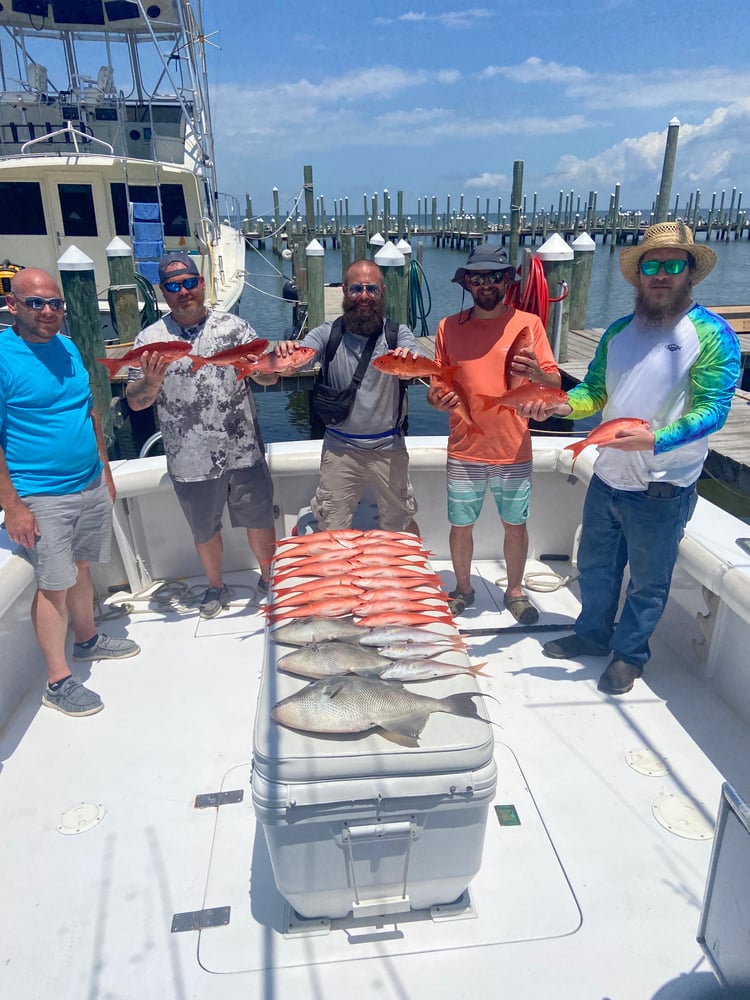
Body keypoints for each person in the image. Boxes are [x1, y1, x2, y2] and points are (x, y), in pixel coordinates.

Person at [516, 221, 741, 695]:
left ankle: (630, 654)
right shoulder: (618, 332)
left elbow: (714, 410)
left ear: (689, 274)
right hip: (608, 477)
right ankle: (593, 634)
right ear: (638, 275)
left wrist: (656, 440)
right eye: (652, 265)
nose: (661, 274)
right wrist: (559, 402)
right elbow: (594, 394)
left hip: (663, 486)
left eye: (672, 265)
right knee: (595, 567)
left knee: (647, 582)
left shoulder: (712, 333)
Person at [0, 268, 140, 718]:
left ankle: (88, 639)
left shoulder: (67, 345)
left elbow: (89, 411)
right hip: (40, 492)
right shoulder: (3, 357)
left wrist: (104, 468)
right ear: (12, 305)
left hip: (88, 480)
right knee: (54, 586)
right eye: (35, 303)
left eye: (54, 303)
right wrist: (13, 505)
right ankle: (58, 682)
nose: (47, 312)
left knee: (81, 567)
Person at [125, 253, 276, 619]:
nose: (183, 292)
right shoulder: (150, 338)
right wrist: (152, 382)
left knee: (259, 519)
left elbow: (270, 376)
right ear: (163, 292)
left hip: (242, 449)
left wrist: (256, 368)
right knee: (204, 528)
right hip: (189, 456)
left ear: (202, 283)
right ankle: (215, 586)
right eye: (174, 286)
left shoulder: (235, 328)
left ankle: (270, 580)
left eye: (189, 282)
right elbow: (135, 402)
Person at [427, 244, 561, 623]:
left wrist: (537, 373)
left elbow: (553, 380)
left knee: (515, 525)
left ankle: (515, 591)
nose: (486, 284)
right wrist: (437, 399)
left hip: (513, 447)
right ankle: (464, 588)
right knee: (460, 525)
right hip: (465, 447)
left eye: (494, 276)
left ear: (507, 280)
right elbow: (437, 385)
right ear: (467, 282)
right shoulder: (447, 327)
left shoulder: (529, 324)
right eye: (477, 277)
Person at [274, 259, 421, 533]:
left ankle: (401, 573)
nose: (364, 296)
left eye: (371, 289)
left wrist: (409, 361)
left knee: (400, 524)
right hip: (340, 449)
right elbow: (299, 359)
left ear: (382, 292)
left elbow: (415, 356)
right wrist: (284, 354)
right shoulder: (326, 333)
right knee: (332, 526)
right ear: (344, 290)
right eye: (356, 289)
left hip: (389, 448)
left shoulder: (397, 333)